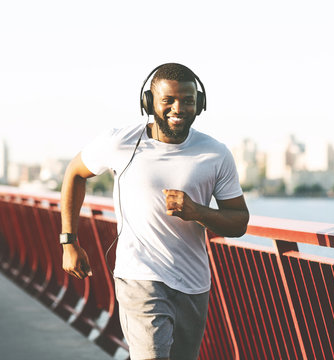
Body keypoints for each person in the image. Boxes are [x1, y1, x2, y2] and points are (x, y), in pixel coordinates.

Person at [60, 63, 249, 360]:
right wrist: (69, 241)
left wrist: (196, 211)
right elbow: (74, 173)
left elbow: (239, 222)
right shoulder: (120, 142)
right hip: (140, 277)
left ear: (199, 104)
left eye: (188, 100)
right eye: (168, 100)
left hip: (193, 283)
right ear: (149, 102)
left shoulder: (216, 153)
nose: (179, 108)